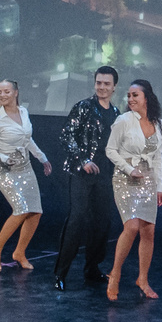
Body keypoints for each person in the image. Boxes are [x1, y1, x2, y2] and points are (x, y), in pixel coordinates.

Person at [52, 67, 122, 292]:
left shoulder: (117, 113)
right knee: (77, 219)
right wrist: (83, 160)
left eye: (106, 84)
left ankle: (92, 268)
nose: (102, 87)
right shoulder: (83, 107)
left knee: (102, 222)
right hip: (82, 172)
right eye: (98, 83)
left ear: (114, 87)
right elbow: (66, 136)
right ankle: (60, 273)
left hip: (105, 173)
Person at [104, 79, 162, 300]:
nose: (130, 99)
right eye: (128, 96)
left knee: (148, 231)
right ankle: (115, 274)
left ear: (146, 98)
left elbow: (157, 157)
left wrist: (159, 185)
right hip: (125, 177)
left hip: (148, 179)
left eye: (135, 95)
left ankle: (143, 279)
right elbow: (110, 150)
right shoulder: (124, 121)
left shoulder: (158, 124)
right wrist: (129, 169)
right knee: (131, 227)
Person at [0, 80, 52, 272]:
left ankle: (19, 252)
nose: (2, 95)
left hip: (25, 167)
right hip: (5, 169)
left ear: (15, 92)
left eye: (6, 91)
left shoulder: (24, 112)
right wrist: (4, 158)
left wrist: (42, 158)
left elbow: (27, 139)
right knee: (21, 208)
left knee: (35, 211)